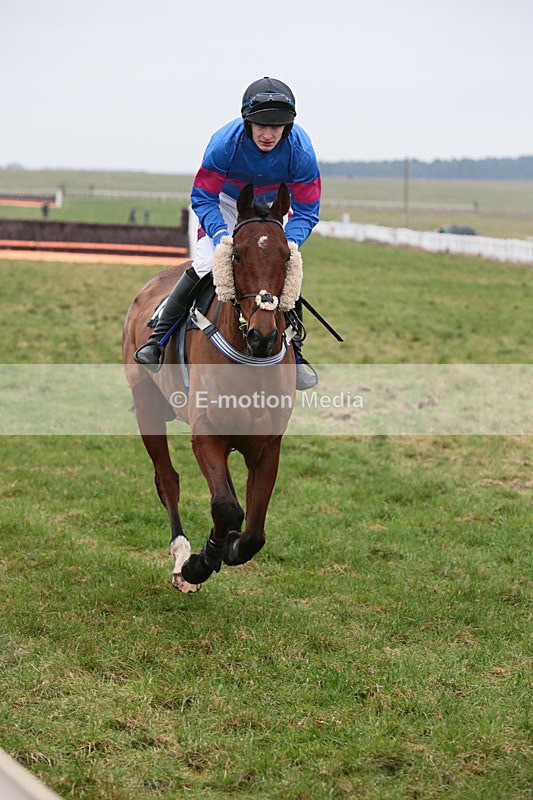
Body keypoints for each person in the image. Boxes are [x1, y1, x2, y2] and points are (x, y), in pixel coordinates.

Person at [134, 76, 321, 389]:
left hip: (273, 206)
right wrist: (220, 233)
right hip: (225, 202)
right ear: (247, 121)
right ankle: (158, 338)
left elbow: (307, 210)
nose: (268, 134)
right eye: (261, 125)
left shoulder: (300, 149)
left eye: (276, 126)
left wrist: (290, 243)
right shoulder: (224, 143)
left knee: (280, 268)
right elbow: (202, 196)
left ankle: (296, 353)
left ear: (288, 126)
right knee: (208, 263)